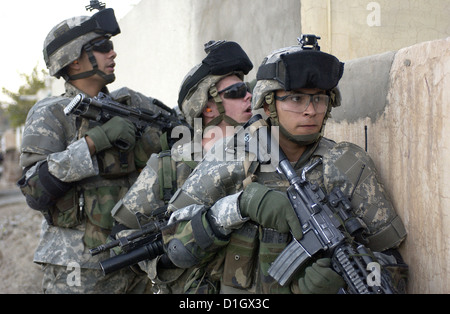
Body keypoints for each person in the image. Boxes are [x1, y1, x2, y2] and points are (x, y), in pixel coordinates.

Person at [161, 36, 408, 294]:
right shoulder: (230, 158)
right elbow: (174, 247)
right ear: (269, 103)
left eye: (319, 99)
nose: (310, 110)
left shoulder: (345, 165)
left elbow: (394, 266)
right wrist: (237, 207)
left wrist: (345, 279)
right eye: (296, 99)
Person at [17, 8, 169, 293]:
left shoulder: (132, 104)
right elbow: (35, 190)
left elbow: (181, 131)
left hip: (137, 258)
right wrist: (92, 143)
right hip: (77, 268)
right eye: (102, 47)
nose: (112, 53)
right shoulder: (51, 114)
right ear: (73, 60)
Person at [109, 40, 254, 293]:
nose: (249, 95)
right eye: (237, 91)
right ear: (207, 106)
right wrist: (169, 256)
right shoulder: (170, 166)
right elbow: (122, 237)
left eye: (247, 87)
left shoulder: (260, 155)